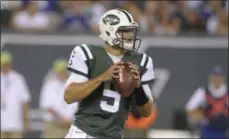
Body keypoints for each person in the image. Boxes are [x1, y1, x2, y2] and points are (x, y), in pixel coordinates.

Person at [64, 8, 156, 138]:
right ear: (110, 32)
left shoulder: (141, 61)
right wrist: (101, 78)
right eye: (125, 31)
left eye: (131, 30)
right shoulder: (88, 54)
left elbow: (146, 112)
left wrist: (138, 87)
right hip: (83, 133)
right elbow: (69, 96)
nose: (131, 35)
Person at [186, 65, 228, 139]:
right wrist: (201, 113)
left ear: (223, 78)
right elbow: (189, 109)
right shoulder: (202, 92)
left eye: (219, 77)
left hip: (224, 130)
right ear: (210, 78)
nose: (217, 79)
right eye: (215, 76)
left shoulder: (227, 93)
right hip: (207, 129)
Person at [39, 58, 78, 138]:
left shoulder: (73, 84)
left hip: (70, 125)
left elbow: (76, 104)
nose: (61, 73)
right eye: (59, 71)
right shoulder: (49, 85)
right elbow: (48, 106)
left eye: (63, 71)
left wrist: (69, 120)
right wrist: (61, 119)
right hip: (54, 125)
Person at [1, 51, 31, 138]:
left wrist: (25, 120)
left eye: (6, 64)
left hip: (15, 124)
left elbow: (25, 101)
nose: (5, 66)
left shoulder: (18, 79)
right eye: (3, 64)